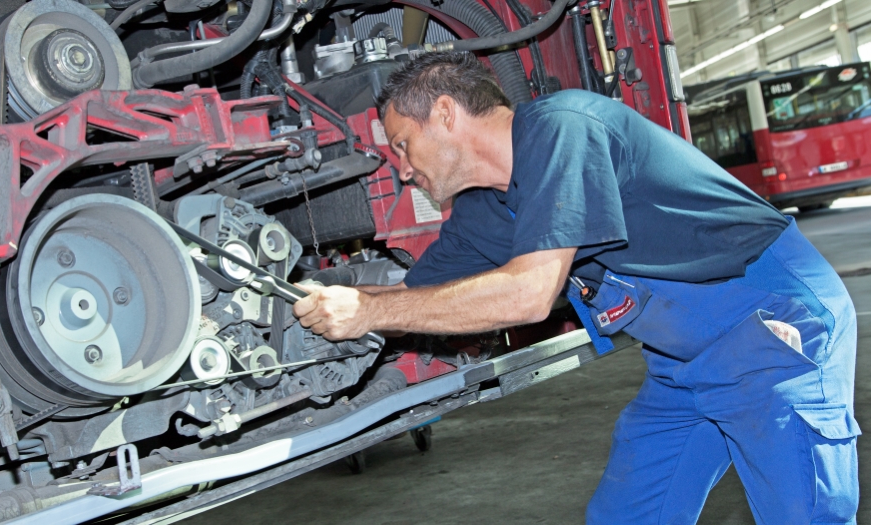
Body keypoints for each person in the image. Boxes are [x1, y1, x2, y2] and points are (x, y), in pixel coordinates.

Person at [293, 52, 859, 523]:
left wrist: (367, 311)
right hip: (683, 364)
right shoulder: (480, 213)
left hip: (773, 327)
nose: (401, 169)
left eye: (400, 145)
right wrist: (321, 308)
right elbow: (413, 301)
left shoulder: (564, 128)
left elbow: (528, 295)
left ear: (444, 113)